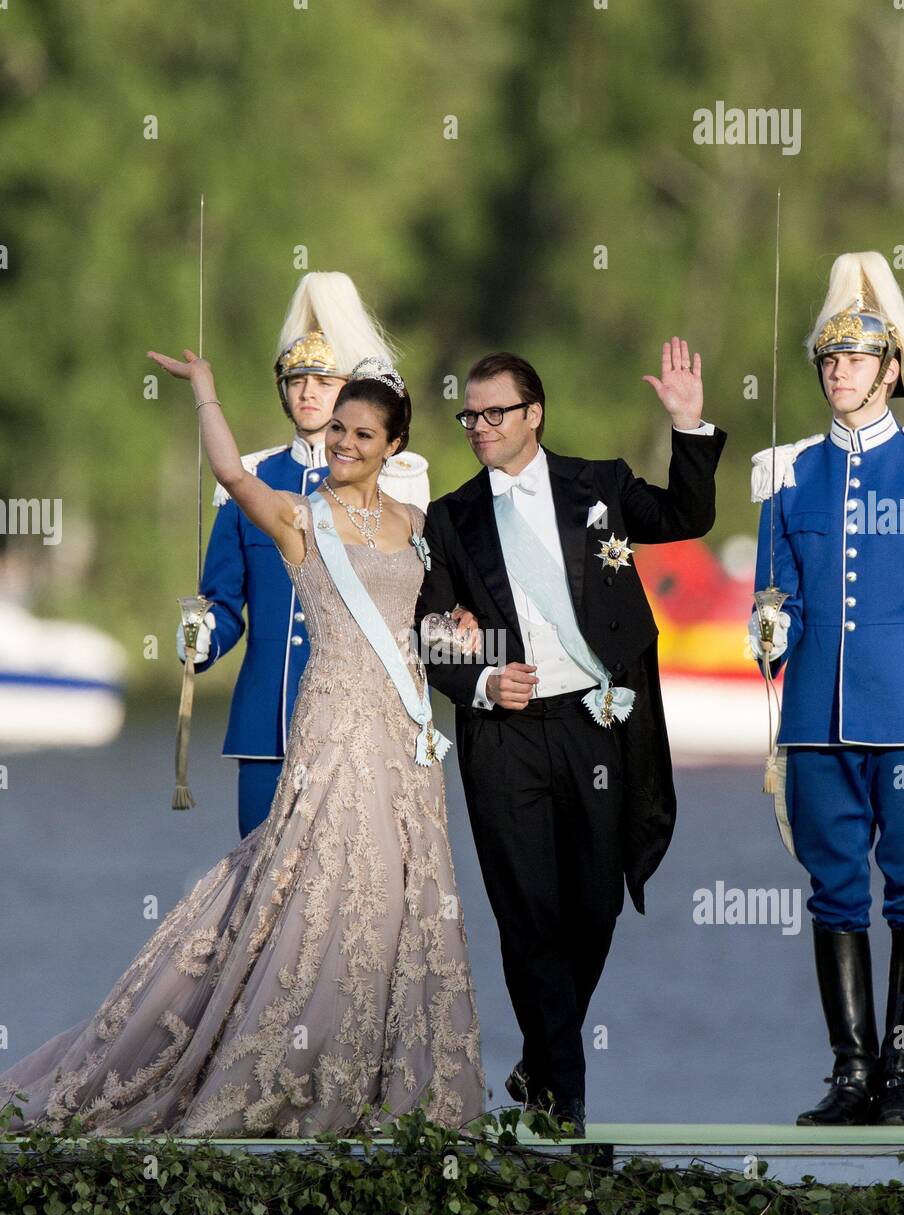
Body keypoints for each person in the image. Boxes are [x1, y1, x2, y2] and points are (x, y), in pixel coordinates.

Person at [0, 353, 484, 1139]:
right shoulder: (298, 516)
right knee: (321, 895)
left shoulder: (419, 529)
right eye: (338, 430)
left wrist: (455, 630)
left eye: (363, 433)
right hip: (331, 728)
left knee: (397, 901)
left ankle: (375, 1081)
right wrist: (206, 394)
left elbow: (419, 628)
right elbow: (229, 471)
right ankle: (286, 1072)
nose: (345, 443)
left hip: (405, 737)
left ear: (394, 446)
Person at [414, 346, 726, 1135]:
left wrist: (688, 424)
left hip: (598, 725)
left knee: (592, 906)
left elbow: (687, 518)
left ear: (534, 414)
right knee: (528, 914)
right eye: (470, 416)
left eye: (494, 413)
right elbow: (433, 632)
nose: (479, 427)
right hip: (507, 734)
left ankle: (542, 1057)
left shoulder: (601, 486)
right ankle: (564, 1104)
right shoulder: (450, 519)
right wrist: (484, 679)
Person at [179, 270, 431, 838]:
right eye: (297, 379)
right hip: (269, 719)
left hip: (360, 721)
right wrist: (200, 638)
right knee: (260, 890)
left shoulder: (401, 480)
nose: (309, 392)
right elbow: (222, 600)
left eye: (323, 379)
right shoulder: (253, 478)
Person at [748, 251, 904, 1126]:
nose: (840, 371)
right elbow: (782, 592)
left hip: (902, 712)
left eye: (858, 359)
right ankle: (853, 1072)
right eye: (830, 360)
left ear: (892, 369)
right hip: (815, 718)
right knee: (834, 889)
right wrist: (770, 628)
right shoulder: (788, 472)